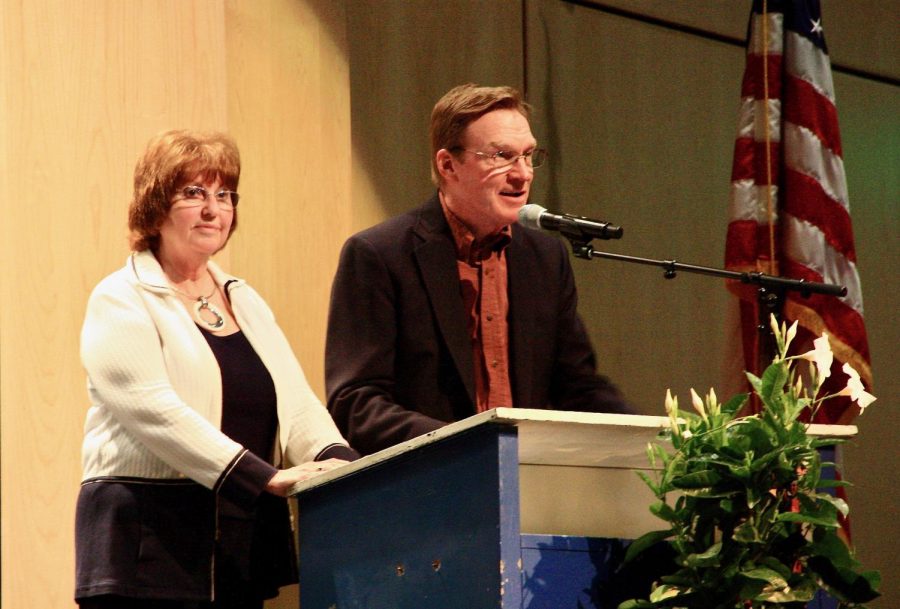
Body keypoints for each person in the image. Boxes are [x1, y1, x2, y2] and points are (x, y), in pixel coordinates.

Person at [75, 130, 359, 609]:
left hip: (238, 539)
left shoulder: (243, 298)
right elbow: (153, 411)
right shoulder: (121, 296)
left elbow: (296, 400)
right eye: (194, 193)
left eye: (223, 195)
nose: (213, 209)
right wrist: (262, 476)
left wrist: (346, 464)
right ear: (156, 204)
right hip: (151, 542)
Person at [325, 84, 630, 456]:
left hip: (528, 482)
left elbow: (577, 387)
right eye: (502, 156)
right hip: (429, 482)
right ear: (448, 165)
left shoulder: (545, 256)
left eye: (529, 156)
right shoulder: (380, 255)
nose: (522, 175)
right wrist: (466, 448)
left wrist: (661, 440)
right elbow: (356, 403)